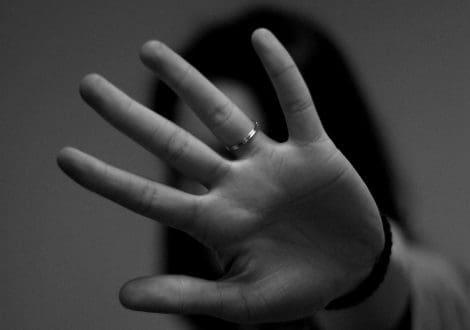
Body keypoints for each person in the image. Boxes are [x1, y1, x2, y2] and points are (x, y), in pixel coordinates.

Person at [57, 6, 470, 330]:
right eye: (192, 161)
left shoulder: (436, 290)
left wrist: (361, 282)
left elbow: (410, 303)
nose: (209, 193)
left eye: (240, 156)